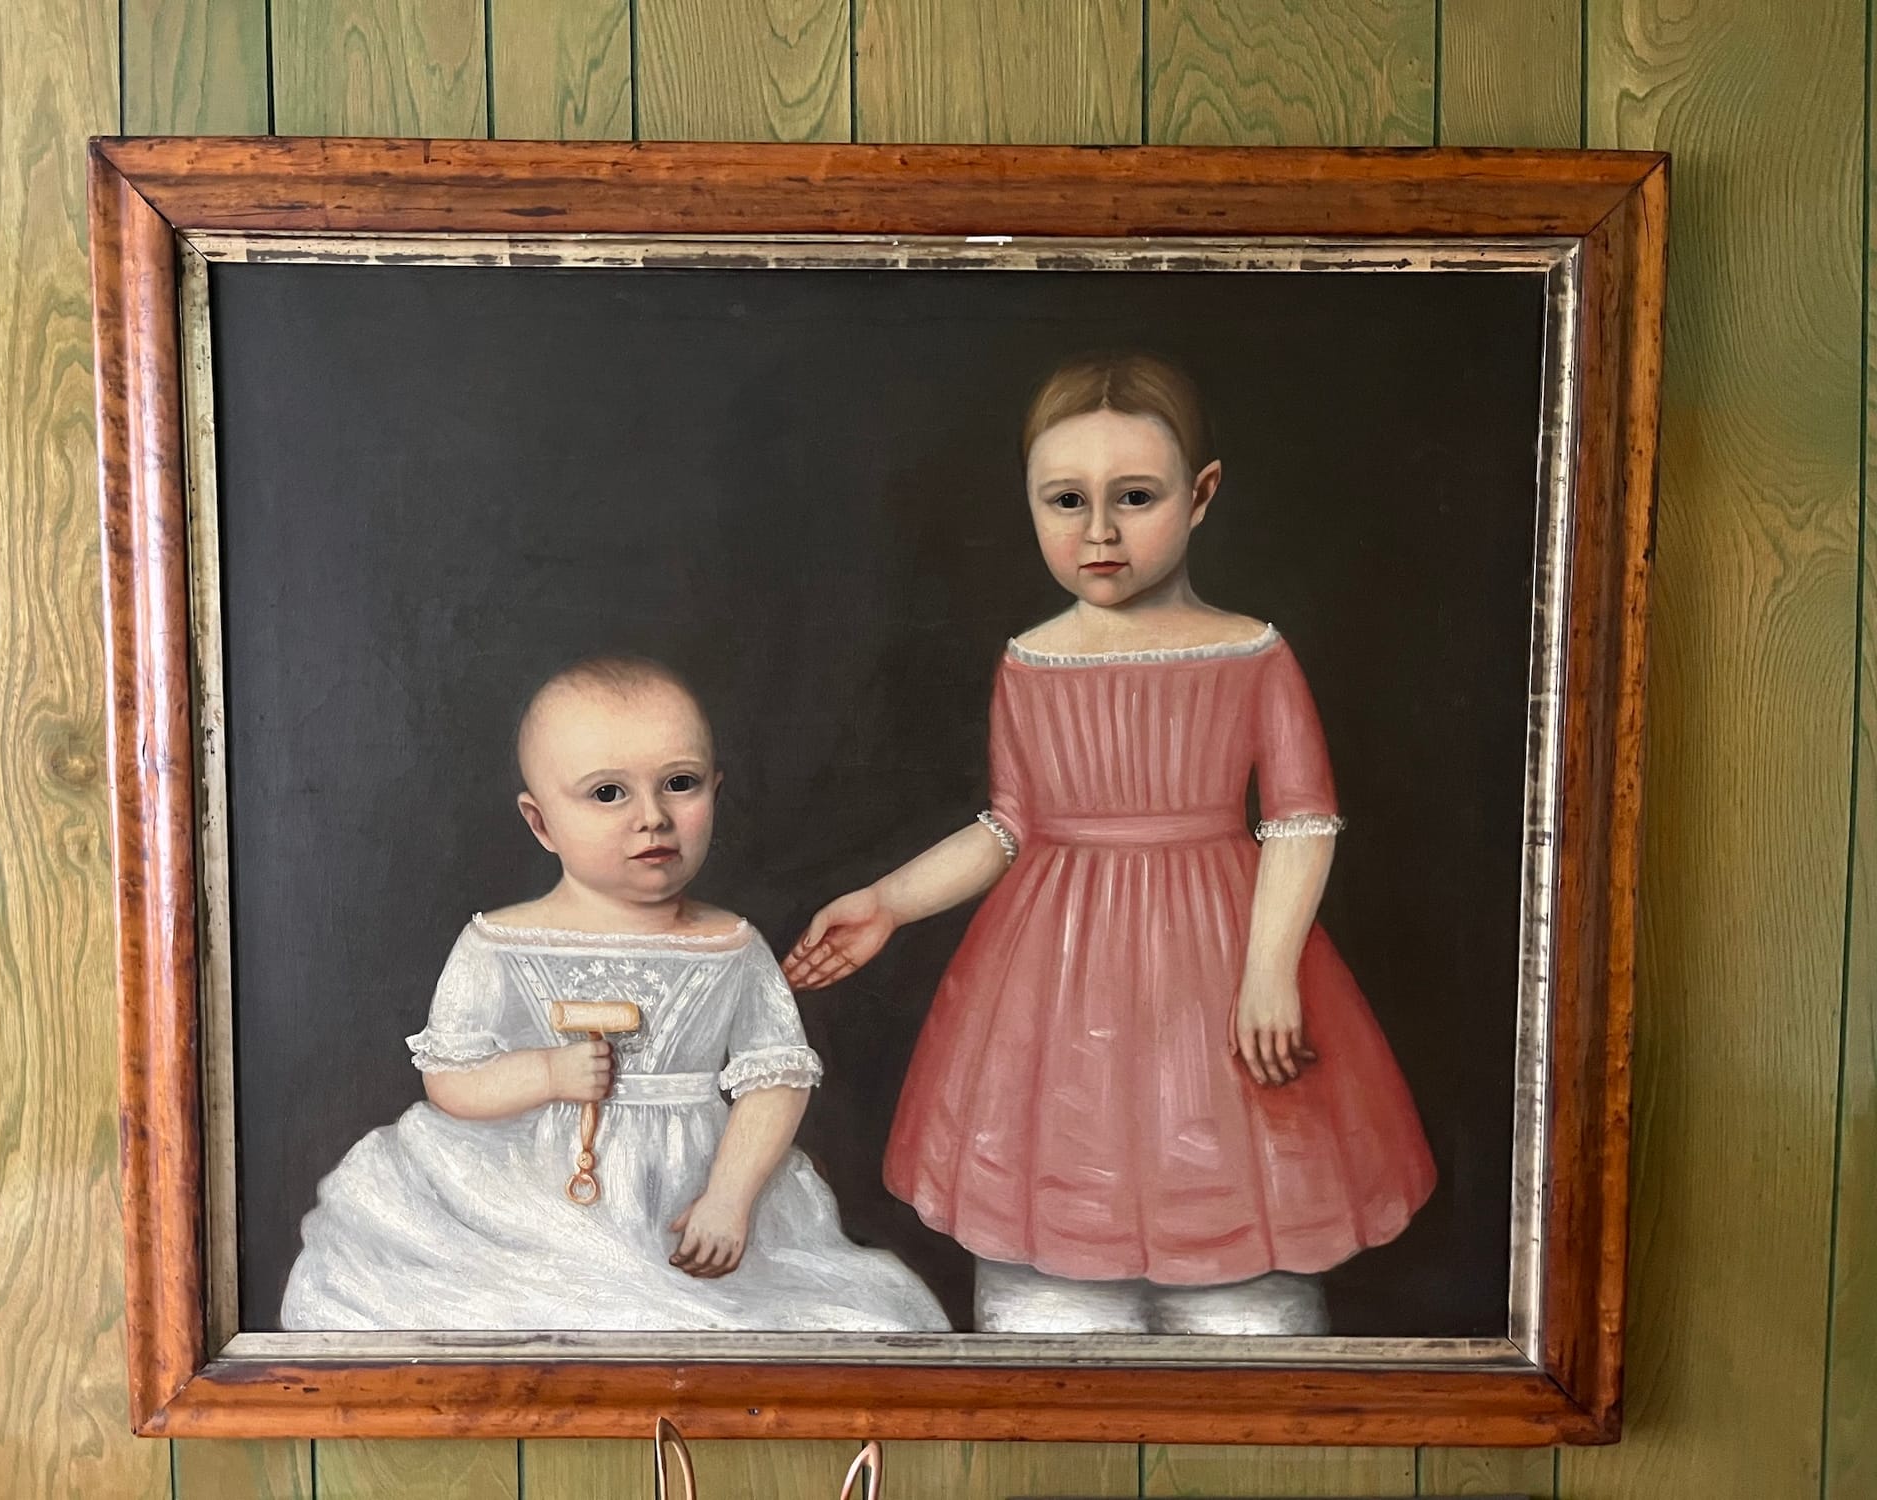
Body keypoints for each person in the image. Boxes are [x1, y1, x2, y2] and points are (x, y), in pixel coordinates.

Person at [784, 353, 1435, 1335]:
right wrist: (889, 901)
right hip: (1051, 980)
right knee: (1049, 1255)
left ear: (1200, 496)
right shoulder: (1028, 660)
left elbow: (1300, 819)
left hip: (1220, 958)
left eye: (1133, 497)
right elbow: (1010, 823)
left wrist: (1268, 973)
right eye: (1065, 501)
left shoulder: (1253, 651)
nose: (1098, 531)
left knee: (1247, 1259)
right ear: (1029, 504)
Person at [281, 656, 948, 1332]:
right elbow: (450, 1080)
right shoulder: (497, 943)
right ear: (541, 823)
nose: (652, 818)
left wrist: (729, 1196)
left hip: (689, 1193)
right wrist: (546, 1074)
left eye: (680, 784)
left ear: (716, 793)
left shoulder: (732, 946)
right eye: (608, 794)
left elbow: (776, 1079)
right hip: (524, 1203)